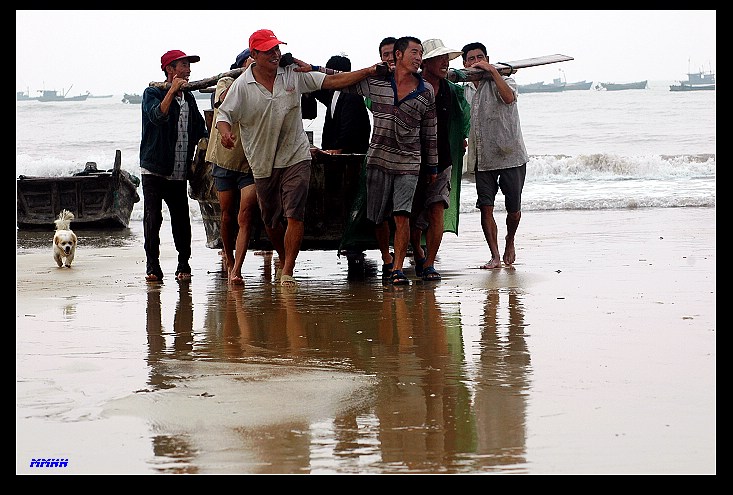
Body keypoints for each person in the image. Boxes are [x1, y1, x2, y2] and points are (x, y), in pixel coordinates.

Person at [216, 29, 383, 287]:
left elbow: (331, 82)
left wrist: (369, 71)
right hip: (262, 162)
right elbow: (224, 116)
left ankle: (288, 271)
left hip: (296, 155)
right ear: (254, 54)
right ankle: (284, 256)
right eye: (269, 50)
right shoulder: (242, 85)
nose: (275, 54)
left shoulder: (292, 74)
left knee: (295, 213)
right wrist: (226, 134)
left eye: (277, 49)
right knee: (271, 219)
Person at [341, 36, 438, 285]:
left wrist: (432, 166)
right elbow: (340, 81)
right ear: (398, 55)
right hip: (378, 159)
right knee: (378, 217)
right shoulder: (377, 83)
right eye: (414, 52)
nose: (419, 57)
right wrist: (312, 70)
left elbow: (430, 131)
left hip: (409, 161)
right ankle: (386, 256)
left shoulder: (425, 90)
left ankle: (397, 269)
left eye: (421, 53)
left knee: (401, 215)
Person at [140, 49, 208, 282]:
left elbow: (200, 130)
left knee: (181, 220)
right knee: (153, 218)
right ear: (170, 69)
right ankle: (152, 266)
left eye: (189, 66)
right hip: (155, 169)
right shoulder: (152, 93)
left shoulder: (188, 98)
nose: (188, 70)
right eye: (183, 65)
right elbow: (157, 117)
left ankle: (183, 263)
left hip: (179, 171)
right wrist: (171, 91)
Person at [461, 41, 529, 269]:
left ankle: (510, 239)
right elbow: (462, 118)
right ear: (464, 63)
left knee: (514, 210)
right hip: (483, 157)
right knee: (485, 207)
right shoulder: (465, 89)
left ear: (488, 59)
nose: (476, 62)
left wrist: (492, 72)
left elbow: (508, 98)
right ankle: (494, 255)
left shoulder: (506, 78)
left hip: (511, 155)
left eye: (481, 57)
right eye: (471, 59)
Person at [409, 39, 470, 282]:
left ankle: (431, 263)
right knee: (411, 214)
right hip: (412, 161)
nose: (445, 62)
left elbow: (464, 114)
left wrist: (463, 138)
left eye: (447, 58)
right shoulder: (410, 86)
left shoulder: (451, 90)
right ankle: (419, 250)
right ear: (425, 62)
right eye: (440, 58)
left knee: (437, 209)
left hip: (442, 158)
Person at [205, 48, 257, 285]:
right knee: (226, 216)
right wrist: (244, 76)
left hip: (250, 161)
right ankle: (228, 256)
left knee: (245, 215)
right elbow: (221, 101)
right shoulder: (226, 81)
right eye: (250, 61)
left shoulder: (262, 82)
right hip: (225, 159)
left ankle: (237, 268)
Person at [312, 55, 371, 155]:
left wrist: (339, 148)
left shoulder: (352, 95)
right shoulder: (335, 92)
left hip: (350, 155)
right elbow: (319, 92)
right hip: (335, 151)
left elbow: (349, 127)